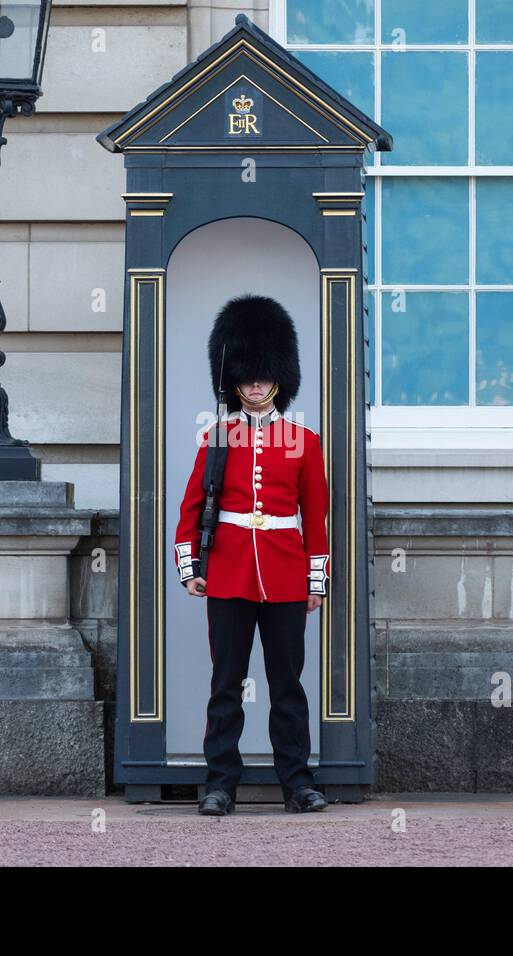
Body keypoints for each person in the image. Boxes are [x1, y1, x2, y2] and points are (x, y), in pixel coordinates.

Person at [174, 293, 331, 815]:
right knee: (225, 686)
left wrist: (317, 581)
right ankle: (220, 784)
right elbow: (191, 508)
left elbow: (317, 518)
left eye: (264, 376)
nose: (256, 385)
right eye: (248, 377)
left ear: (279, 378)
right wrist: (190, 568)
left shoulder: (304, 441)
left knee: (288, 688)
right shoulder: (217, 437)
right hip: (229, 573)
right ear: (235, 380)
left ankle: (297, 784)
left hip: (286, 576)